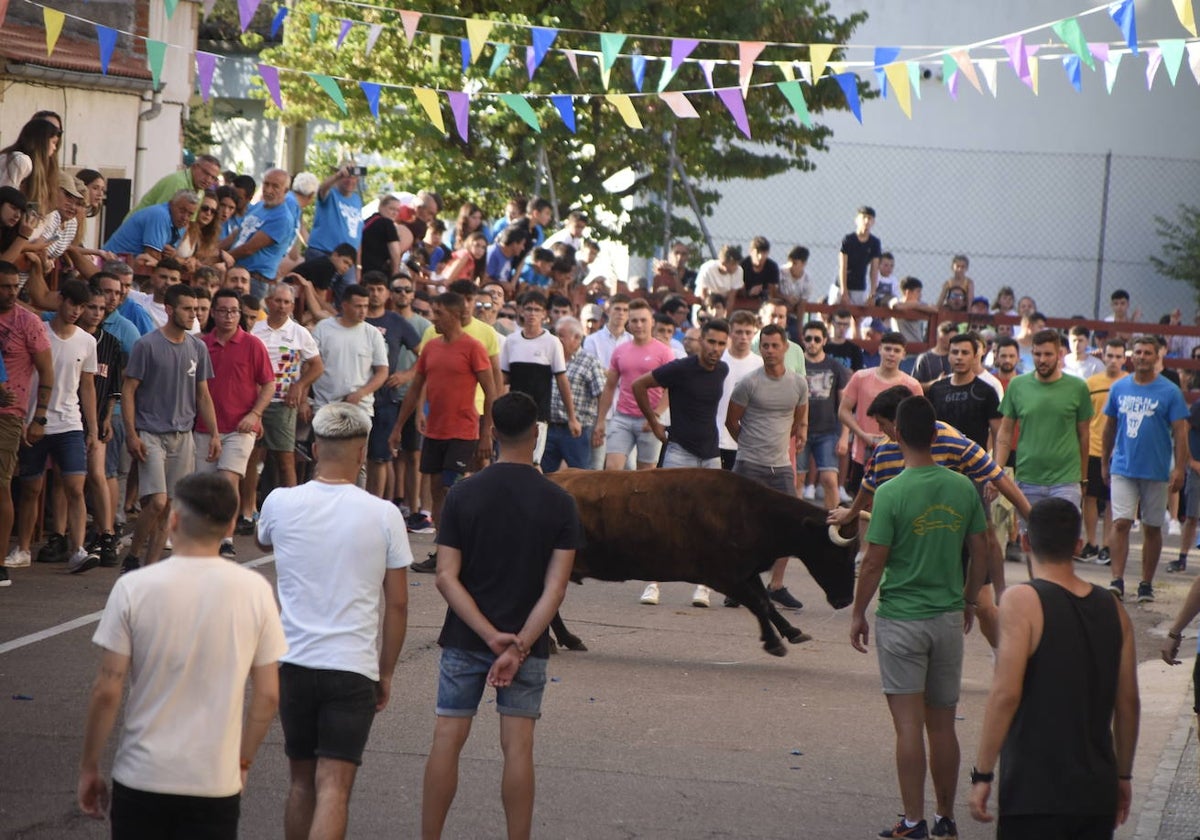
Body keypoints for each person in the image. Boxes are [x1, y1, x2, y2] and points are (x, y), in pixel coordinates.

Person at [77, 473, 286, 839]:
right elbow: (268, 695)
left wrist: (89, 765)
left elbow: (107, 688)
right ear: (231, 524)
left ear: (174, 520)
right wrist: (243, 761)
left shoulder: (134, 587)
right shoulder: (254, 591)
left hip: (142, 775)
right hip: (214, 780)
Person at [419, 392, 580, 840]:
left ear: (492, 433)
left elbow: (446, 578)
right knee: (518, 748)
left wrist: (490, 636)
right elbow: (556, 587)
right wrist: (520, 642)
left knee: (447, 738)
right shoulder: (559, 502)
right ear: (536, 435)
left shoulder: (463, 495)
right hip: (527, 645)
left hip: (465, 639)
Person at [256, 401, 411, 840]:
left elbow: (261, 535)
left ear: (316, 445)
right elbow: (397, 605)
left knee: (301, 782)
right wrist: (386, 672)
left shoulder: (280, 502)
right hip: (352, 667)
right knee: (334, 789)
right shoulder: (384, 515)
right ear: (362, 452)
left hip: (294, 664)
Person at [850, 395, 988, 840]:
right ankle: (947, 818)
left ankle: (913, 822)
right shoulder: (962, 487)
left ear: (896, 435)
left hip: (902, 619)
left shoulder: (890, 493)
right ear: (934, 435)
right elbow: (981, 549)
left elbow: (873, 562)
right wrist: (969, 600)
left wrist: (857, 613)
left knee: (908, 727)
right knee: (943, 723)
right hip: (948, 618)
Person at [969, 498, 1138, 837]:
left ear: (1026, 541)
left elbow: (1005, 694)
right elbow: (1128, 703)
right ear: (1078, 545)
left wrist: (983, 774)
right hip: (1096, 790)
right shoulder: (1113, 609)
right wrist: (1123, 775)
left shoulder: (1021, 600)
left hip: (1035, 791)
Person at [121, 284, 220, 573]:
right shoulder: (147, 345)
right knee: (156, 502)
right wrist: (131, 432)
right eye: (187, 308)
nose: (194, 314)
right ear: (169, 309)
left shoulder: (197, 348)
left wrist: (213, 433)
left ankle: (149, 570)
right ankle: (133, 554)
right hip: (150, 433)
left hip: (183, 436)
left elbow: (203, 394)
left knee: (170, 507)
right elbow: (128, 390)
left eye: (197, 308)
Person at [632, 318, 730, 608]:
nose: (715, 348)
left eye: (721, 344)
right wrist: (654, 421)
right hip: (679, 450)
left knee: (711, 522)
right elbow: (639, 385)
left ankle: (704, 586)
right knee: (665, 518)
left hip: (711, 453)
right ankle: (653, 583)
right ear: (700, 341)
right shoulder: (680, 368)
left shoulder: (722, 370)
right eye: (711, 342)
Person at [393, 292, 496, 555]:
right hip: (435, 432)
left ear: (454, 315)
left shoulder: (473, 347)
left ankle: (462, 549)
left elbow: (491, 391)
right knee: (437, 490)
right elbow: (415, 389)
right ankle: (442, 552)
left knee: (453, 489)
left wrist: (486, 434)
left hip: (463, 432)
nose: (433, 318)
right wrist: (397, 428)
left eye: (438, 313)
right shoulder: (431, 347)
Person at [12, 281, 99, 573]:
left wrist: (94, 428)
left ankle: (78, 549)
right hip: (34, 419)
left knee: (76, 486)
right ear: (60, 300)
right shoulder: (39, 331)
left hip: (70, 422)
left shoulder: (88, 341)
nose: (76, 311)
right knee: (30, 488)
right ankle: (23, 547)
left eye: (82, 306)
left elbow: (87, 386)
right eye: (73, 303)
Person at [725, 323, 810, 612]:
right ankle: (737, 584)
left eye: (775, 345)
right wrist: (749, 445)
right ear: (758, 349)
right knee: (740, 526)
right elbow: (731, 422)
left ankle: (776, 585)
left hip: (781, 465)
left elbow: (797, 421)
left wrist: (781, 445)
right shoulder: (749, 383)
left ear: (786, 348)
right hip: (749, 462)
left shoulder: (798, 383)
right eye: (765, 346)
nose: (770, 351)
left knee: (792, 524)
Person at [1102, 335, 1189, 603]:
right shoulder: (1119, 388)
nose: (1141, 357)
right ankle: (1116, 579)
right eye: (1137, 352)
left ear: (1156, 356)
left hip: (1156, 468)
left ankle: (1146, 583)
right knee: (1121, 522)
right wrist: (1105, 461)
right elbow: (1109, 426)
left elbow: (1180, 432)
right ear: (1132, 355)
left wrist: (1180, 469)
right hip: (1123, 466)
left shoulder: (1170, 391)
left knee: (1152, 527)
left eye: (1147, 353)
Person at [994, 328, 1092, 556]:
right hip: (1028, 478)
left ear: (1059, 354)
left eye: (1048, 354)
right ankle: (1037, 590)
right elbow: (1005, 433)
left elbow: (1084, 435)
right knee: (1033, 544)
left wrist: (1083, 478)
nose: (1042, 360)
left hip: (1066, 479)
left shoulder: (1077, 388)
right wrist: (996, 471)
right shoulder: (1018, 386)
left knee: (1062, 543)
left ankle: (1059, 591)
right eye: (1037, 354)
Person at [193, 288, 274, 559]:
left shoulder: (253, 344)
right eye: (223, 311)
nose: (229, 316)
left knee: (228, 482)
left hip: (240, 428)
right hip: (204, 427)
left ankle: (226, 538)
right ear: (213, 313)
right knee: (205, 486)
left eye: (234, 311)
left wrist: (255, 414)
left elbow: (269, 384)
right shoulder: (200, 344)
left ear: (241, 314)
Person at [0, 261, 53, 586]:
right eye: (3, 286)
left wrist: (40, 417)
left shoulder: (28, 322)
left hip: (9, 417)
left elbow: (47, 371)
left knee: (1, 485)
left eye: (13, 286)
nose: (10, 292)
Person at [593, 299, 676, 472]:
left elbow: (671, 388)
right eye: (634, 320)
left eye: (643, 320)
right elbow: (609, 387)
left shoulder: (664, 352)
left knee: (646, 473)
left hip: (650, 418)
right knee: (612, 470)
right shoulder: (620, 350)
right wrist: (601, 420)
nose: (639, 325)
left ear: (652, 322)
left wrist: (655, 416)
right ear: (628, 323)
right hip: (622, 417)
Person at [499, 291, 579, 467]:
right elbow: (503, 377)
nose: (532, 313)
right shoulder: (511, 341)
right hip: (513, 411)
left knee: (533, 462)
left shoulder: (551, 342)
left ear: (544, 314)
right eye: (529, 309)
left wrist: (572, 417)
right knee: (511, 460)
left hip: (538, 414)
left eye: (537, 309)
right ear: (521, 311)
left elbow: (561, 379)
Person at [838, 331, 921, 496]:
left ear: (904, 355)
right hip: (863, 450)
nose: (891, 354)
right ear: (880, 349)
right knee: (860, 500)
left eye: (896, 350)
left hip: (898, 453)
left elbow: (918, 419)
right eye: (888, 349)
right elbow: (843, 411)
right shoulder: (860, 377)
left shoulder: (912, 385)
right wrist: (861, 434)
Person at [362, 272, 421, 497]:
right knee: (357, 456)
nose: (375, 294)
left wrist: (407, 375)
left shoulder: (396, 322)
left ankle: (378, 506)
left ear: (386, 293)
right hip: (356, 396)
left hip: (386, 399)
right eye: (371, 288)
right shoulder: (356, 317)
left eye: (380, 289)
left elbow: (423, 354)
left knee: (380, 456)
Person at [310, 284, 388, 420]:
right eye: (358, 306)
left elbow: (382, 372)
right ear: (344, 305)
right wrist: (304, 400)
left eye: (365, 306)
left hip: (360, 408)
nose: (363, 311)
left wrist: (361, 393)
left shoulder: (373, 334)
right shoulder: (323, 328)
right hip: (325, 406)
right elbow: (309, 365)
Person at [1081, 339, 1128, 564]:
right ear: (1103, 357)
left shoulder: (1129, 383)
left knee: (1112, 500)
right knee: (1089, 496)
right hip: (1092, 446)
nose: (1114, 360)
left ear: (1124, 359)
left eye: (1119, 356)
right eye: (1110, 356)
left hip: (1118, 449)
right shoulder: (1091, 383)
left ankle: (1108, 545)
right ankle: (1091, 543)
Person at [542, 316, 606, 473]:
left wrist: (600, 424)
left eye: (562, 335)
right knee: (544, 474)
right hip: (550, 427)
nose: (557, 339)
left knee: (581, 475)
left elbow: (602, 395)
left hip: (578, 430)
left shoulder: (589, 362)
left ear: (577, 338)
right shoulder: (549, 359)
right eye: (556, 334)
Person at [798, 320, 851, 506]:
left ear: (824, 340)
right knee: (797, 481)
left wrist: (845, 436)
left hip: (827, 432)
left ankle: (832, 527)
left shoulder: (835, 367)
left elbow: (844, 404)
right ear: (803, 340)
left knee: (830, 480)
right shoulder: (796, 365)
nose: (812, 342)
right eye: (808, 338)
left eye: (817, 339)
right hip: (798, 431)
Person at [224, 168, 293, 298]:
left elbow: (248, 249)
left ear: (285, 191)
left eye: (275, 186)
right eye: (266, 184)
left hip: (254, 280)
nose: (268, 190)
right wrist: (214, 252)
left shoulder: (282, 217)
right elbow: (237, 234)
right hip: (236, 272)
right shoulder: (259, 206)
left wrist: (222, 259)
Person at [306, 163, 363, 285]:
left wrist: (358, 266)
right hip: (323, 252)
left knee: (350, 294)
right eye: (346, 176)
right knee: (319, 290)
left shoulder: (357, 200)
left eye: (353, 176)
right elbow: (322, 189)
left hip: (348, 259)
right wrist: (338, 175)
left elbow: (358, 235)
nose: (350, 180)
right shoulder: (330, 193)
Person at [103, 190, 197, 263]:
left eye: (190, 214)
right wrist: (181, 261)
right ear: (171, 204)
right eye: (182, 210)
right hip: (109, 263)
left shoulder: (181, 224)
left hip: (129, 267)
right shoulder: (160, 215)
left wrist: (178, 259)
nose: (185, 217)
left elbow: (166, 257)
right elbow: (152, 257)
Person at [131, 154, 222, 214]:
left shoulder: (201, 191)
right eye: (206, 173)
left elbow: (188, 224)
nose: (208, 180)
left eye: (213, 177)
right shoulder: (178, 182)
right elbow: (160, 218)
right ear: (194, 167)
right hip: (136, 234)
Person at [838, 205, 881, 305]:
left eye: (870, 218)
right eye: (864, 217)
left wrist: (872, 293)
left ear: (873, 222)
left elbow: (874, 269)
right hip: (841, 285)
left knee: (859, 317)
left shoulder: (875, 242)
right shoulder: (848, 239)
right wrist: (843, 290)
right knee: (833, 312)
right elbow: (843, 266)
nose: (867, 221)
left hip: (859, 287)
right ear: (857, 220)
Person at [913, 322, 957, 392]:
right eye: (951, 339)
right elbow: (914, 386)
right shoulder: (924, 358)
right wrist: (935, 383)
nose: (954, 342)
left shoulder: (957, 357)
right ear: (941, 337)